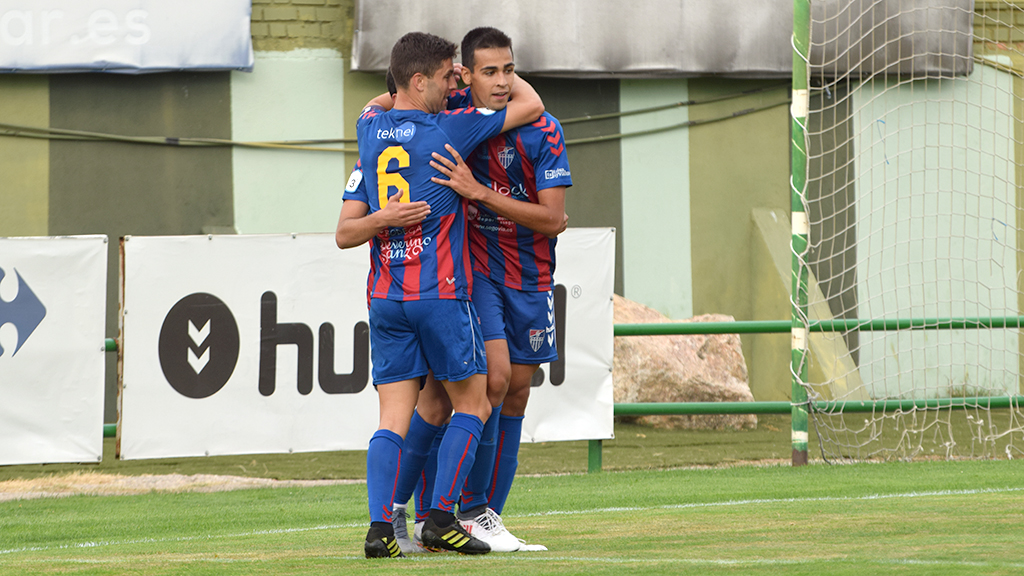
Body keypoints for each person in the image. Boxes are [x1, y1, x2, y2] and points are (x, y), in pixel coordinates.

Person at [334, 31, 544, 559]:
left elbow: (343, 233)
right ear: (420, 80)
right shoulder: (451, 128)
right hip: (442, 293)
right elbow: (531, 104)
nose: (458, 81)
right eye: (451, 74)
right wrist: (494, 77)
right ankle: (443, 518)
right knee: (475, 401)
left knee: (392, 417)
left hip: (385, 294)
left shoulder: (368, 130)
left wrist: (382, 218)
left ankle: (381, 529)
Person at [392, 26, 572, 554]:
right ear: (462, 76)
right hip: (469, 275)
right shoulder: (444, 123)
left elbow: (553, 220)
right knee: (480, 387)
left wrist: (478, 193)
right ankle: (445, 513)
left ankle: (480, 514)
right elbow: (396, 96)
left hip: (531, 275)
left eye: (509, 70)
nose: (501, 81)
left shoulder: (543, 129)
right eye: (488, 71)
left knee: (515, 388)